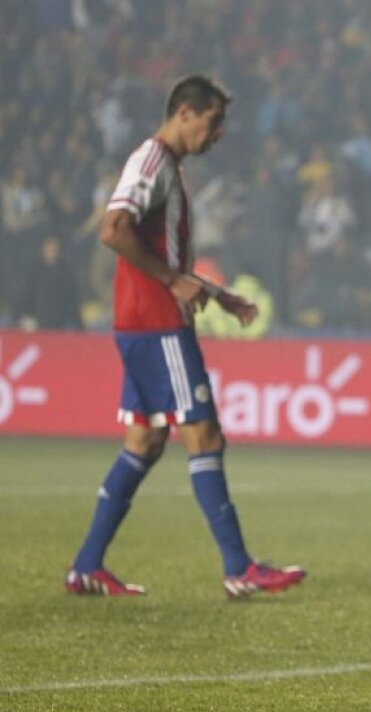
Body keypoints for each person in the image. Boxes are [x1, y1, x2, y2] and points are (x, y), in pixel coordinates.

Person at [66, 74, 307, 598]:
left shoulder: (167, 167)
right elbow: (113, 229)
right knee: (204, 435)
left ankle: (86, 566)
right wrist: (174, 282)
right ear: (184, 113)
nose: (217, 134)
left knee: (147, 440)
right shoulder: (151, 161)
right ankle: (240, 567)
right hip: (156, 326)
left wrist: (217, 295)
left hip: (142, 323)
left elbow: (163, 255)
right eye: (213, 121)